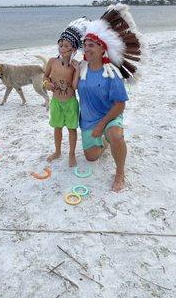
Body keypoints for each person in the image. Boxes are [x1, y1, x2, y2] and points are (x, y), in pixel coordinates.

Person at [77, 18, 129, 192]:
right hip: (88, 121)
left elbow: (120, 105)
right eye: (85, 44)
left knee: (115, 135)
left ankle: (120, 173)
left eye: (92, 45)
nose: (87, 48)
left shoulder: (111, 73)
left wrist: (101, 125)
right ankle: (106, 141)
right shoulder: (81, 69)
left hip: (110, 115)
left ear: (102, 49)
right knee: (91, 157)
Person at [43, 19, 87, 167]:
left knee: (72, 128)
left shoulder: (75, 66)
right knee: (57, 127)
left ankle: (72, 153)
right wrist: (47, 83)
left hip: (70, 103)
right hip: (56, 101)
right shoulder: (52, 62)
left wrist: (77, 71)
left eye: (66, 46)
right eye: (60, 45)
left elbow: (74, 87)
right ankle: (57, 151)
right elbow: (45, 76)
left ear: (74, 49)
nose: (62, 48)